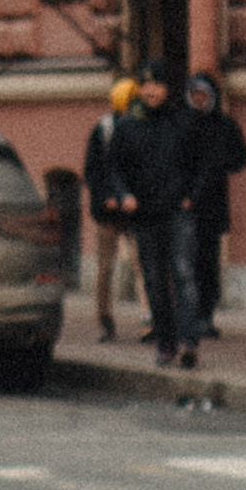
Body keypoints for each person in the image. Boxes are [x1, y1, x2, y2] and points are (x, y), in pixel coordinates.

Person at [111, 62, 202, 368]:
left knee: (183, 272)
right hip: (145, 215)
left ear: (167, 88)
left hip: (177, 211)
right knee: (154, 281)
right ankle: (165, 343)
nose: (150, 91)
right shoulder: (128, 125)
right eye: (145, 85)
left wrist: (191, 197)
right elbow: (115, 167)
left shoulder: (184, 121)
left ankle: (189, 340)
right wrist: (124, 195)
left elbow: (200, 165)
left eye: (157, 84)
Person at [181, 72, 246, 336]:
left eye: (204, 96)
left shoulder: (224, 125)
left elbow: (241, 157)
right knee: (185, 260)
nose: (199, 100)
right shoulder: (182, 123)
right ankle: (187, 313)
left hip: (212, 204)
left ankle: (206, 315)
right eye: (195, 95)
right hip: (185, 203)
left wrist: (222, 163)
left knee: (208, 262)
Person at [82, 76, 139, 340]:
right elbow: (92, 170)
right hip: (109, 210)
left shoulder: (140, 126)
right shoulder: (104, 129)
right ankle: (105, 319)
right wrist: (106, 196)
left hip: (134, 207)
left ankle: (152, 318)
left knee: (144, 263)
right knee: (106, 266)